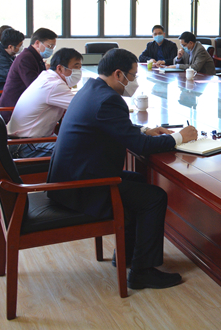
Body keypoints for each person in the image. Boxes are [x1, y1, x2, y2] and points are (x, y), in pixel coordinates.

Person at [47, 48, 198, 290]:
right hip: (80, 187)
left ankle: (127, 255)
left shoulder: (91, 89)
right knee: (154, 197)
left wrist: (144, 130)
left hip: (72, 177)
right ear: (118, 74)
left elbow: (111, 129)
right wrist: (180, 137)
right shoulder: (109, 100)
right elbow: (141, 147)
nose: (135, 81)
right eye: (133, 75)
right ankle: (142, 272)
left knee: (137, 180)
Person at [6, 48, 82, 159]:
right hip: (26, 145)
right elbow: (83, 107)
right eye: (75, 67)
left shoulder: (47, 77)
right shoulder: (54, 85)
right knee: (83, 152)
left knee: (81, 145)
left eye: (80, 68)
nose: (79, 71)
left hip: (25, 139)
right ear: (60, 68)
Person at [0, 27, 57, 120]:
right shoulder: (26, 59)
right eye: (50, 46)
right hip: (13, 112)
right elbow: (35, 87)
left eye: (53, 47)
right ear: (37, 43)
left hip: (23, 107)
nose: (51, 49)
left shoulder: (34, 57)